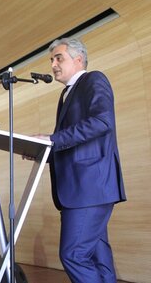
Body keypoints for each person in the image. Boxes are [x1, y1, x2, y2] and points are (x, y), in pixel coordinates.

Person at [32, 38, 126, 283]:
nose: (53, 64)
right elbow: (69, 143)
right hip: (80, 189)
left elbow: (102, 122)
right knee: (98, 255)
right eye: (51, 60)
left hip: (90, 186)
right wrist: (41, 151)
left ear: (78, 59)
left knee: (73, 254)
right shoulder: (66, 94)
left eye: (58, 58)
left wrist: (52, 140)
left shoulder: (93, 79)